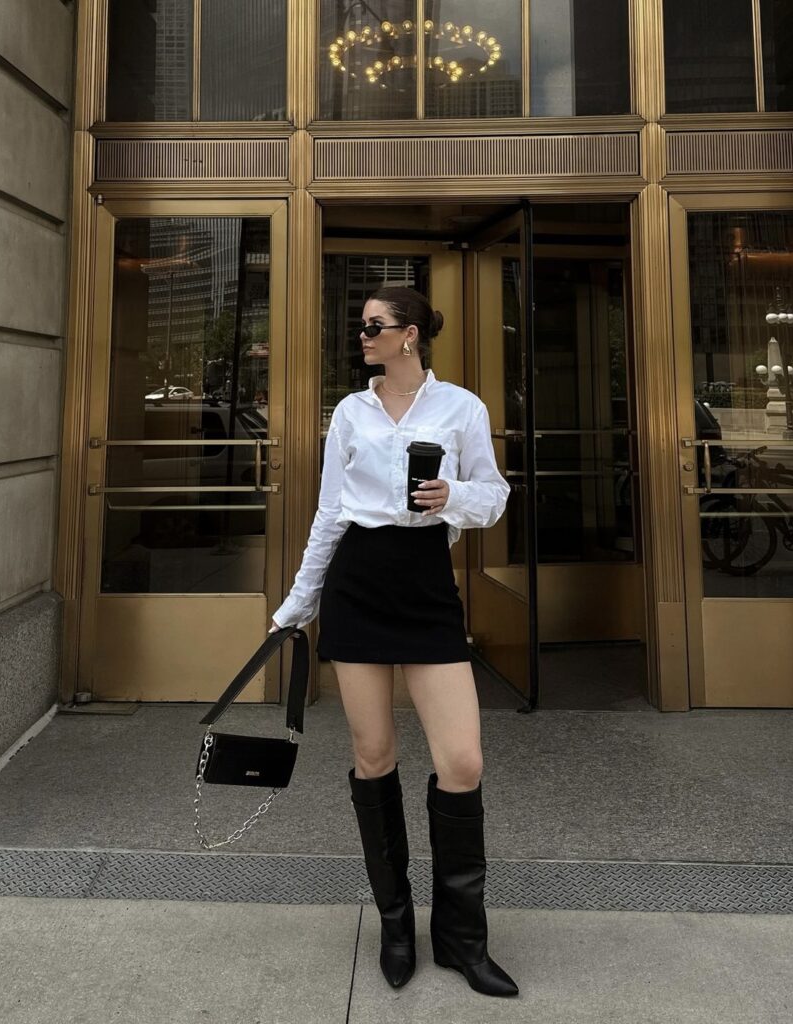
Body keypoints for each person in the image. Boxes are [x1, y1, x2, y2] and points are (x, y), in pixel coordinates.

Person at [269, 286, 518, 998]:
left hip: (425, 583)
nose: (363, 337)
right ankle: (397, 924)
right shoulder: (350, 412)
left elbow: (493, 494)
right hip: (357, 584)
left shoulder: (461, 407)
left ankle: (463, 938)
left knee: (461, 760)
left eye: (374, 327)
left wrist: (454, 500)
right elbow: (328, 514)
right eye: (360, 326)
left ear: (409, 335)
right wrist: (296, 605)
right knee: (373, 757)